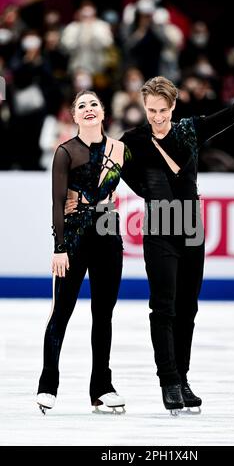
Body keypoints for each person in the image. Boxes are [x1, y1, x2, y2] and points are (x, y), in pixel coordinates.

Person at [119, 67, 234, 414]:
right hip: (159, 229)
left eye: (163, 110)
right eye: (151, 111)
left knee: (187, 309)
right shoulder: (133, 140)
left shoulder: (190, 130)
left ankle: (184, 378)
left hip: (192, 229)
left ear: (173, 107)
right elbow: (122, 175)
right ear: (144, 108)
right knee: (163, 307)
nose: (158, 118)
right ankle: (169, 381)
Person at [37, 90, 130, 414]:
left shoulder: (120, 150)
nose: (88, 109)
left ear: (103, 112)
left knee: (103, 315)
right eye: (81, 106)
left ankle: (101, 388)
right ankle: (48, 384)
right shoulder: (66, 152)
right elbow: (57, 203)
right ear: (74, 116)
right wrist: (59, 248)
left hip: (107, 232)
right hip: (74, 238)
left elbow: (147, 184)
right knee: (61, 312)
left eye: (93, 104)